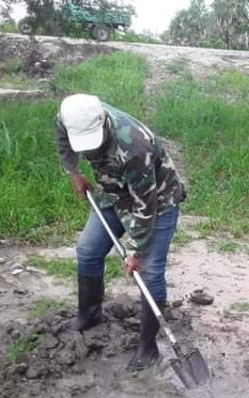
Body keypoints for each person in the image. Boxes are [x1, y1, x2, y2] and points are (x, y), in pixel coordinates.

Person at [56, 93, 186, 369]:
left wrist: (137, 251)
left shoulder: (134, 146)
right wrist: (74, 172)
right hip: (113, 192)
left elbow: (145, 205)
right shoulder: (70, 116)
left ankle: (148, 347)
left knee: (150, 272)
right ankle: (89, 315)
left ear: (103, 123)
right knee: (88, 250)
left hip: (158, 202)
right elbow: (64, 142)